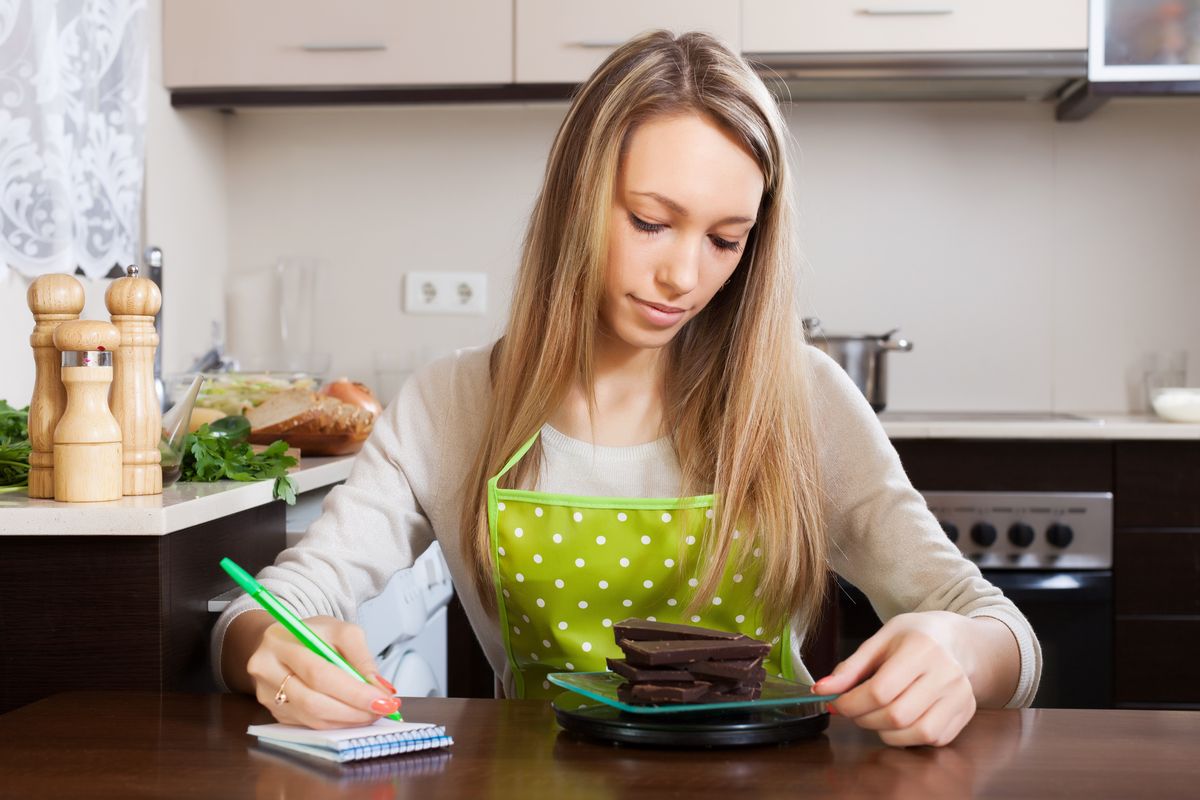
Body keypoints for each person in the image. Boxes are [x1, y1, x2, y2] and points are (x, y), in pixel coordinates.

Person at [214, 30, 1041, 747]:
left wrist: (964, 655)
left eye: (725, 240)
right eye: (649, 221)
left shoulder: (802, 401)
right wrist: (271, 648)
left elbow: (998, 627)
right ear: (578, 199)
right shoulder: (451, 404)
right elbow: (268, 610)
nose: (683, 275)